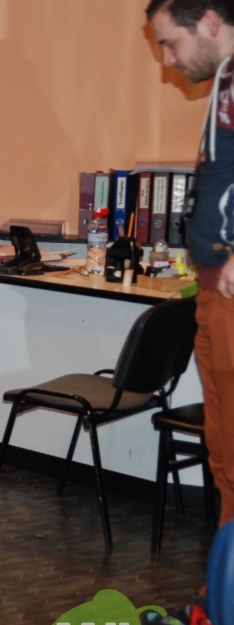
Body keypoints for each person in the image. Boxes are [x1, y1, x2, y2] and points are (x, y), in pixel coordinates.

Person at [148, 0, 234, 529]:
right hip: (212, 287)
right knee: (223, 454)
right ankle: (225, 576)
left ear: (209, 23)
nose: (167, 60)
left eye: (170, 43)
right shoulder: (226, 81)